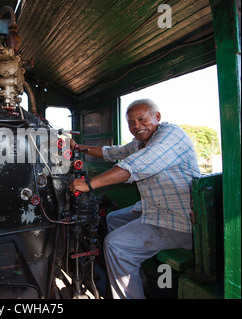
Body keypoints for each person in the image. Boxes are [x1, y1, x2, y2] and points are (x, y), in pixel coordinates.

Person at [69, 98, 201, 299]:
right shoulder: (140, 142)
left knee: (115, 244)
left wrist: (89, 184)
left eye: (141, 119)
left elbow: (137, 165)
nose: (136, 126)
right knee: (113, 218)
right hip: (155, 210)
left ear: (157, 117)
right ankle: (131, 269)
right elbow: (110, 153)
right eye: (131, 122)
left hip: (182, 221)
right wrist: (78, 147)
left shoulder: (171, 135)